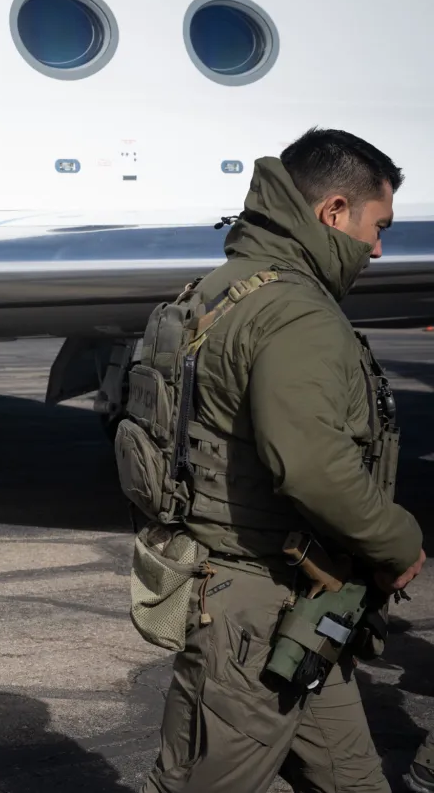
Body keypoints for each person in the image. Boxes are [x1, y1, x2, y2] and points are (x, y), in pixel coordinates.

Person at [128, 128, 426, 792]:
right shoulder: (296, 313)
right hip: (257, 609)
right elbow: (312, 466)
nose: (378, 250)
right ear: (333, 213)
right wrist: (399, 540)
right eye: (377, 228)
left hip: (294, 608)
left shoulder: (220, 289)